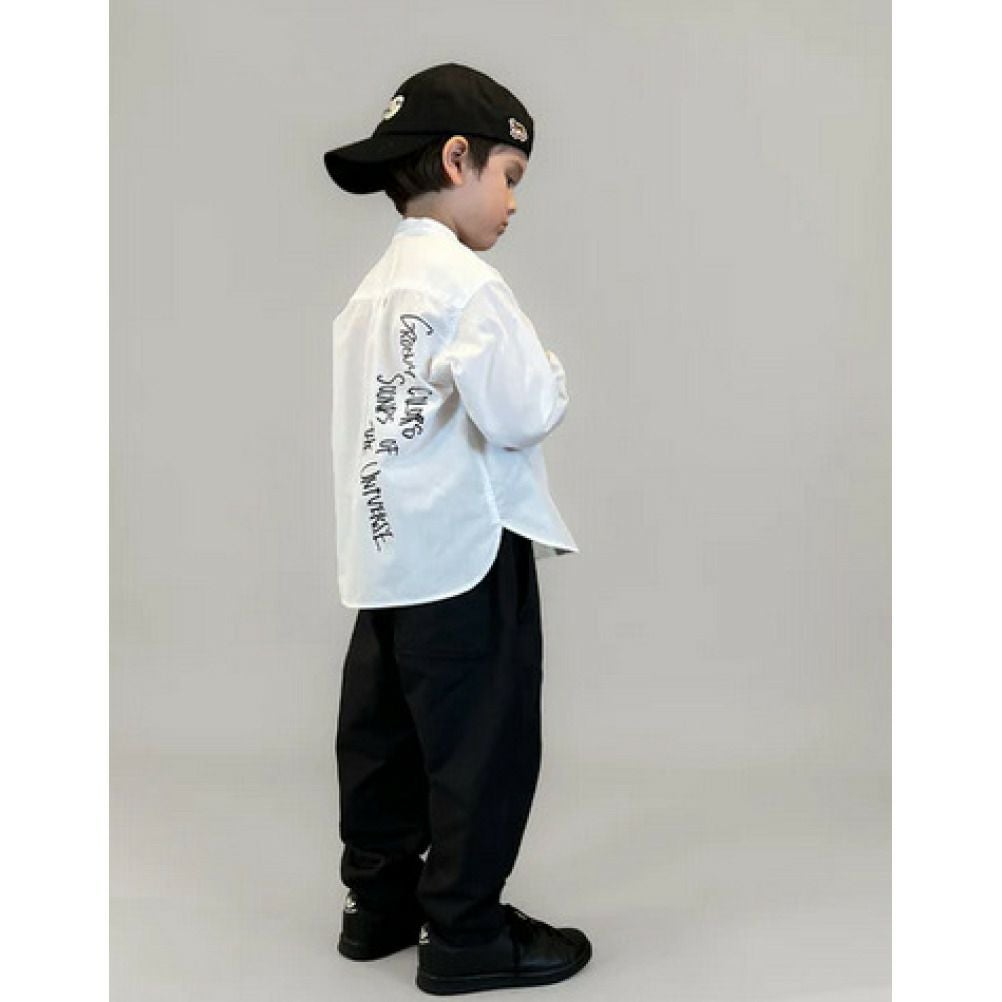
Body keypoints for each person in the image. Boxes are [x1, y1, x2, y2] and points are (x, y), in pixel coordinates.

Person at [322, 62, 591, 995]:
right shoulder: (468, 288)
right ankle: (466, 933)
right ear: (456, 158)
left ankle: (377, 906)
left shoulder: (370, 295)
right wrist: (551, 366)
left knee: (384, 737)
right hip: (469, 555)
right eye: (509, 176)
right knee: (483, 744)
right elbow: (520, 411)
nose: (513, 201)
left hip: (384, 558)